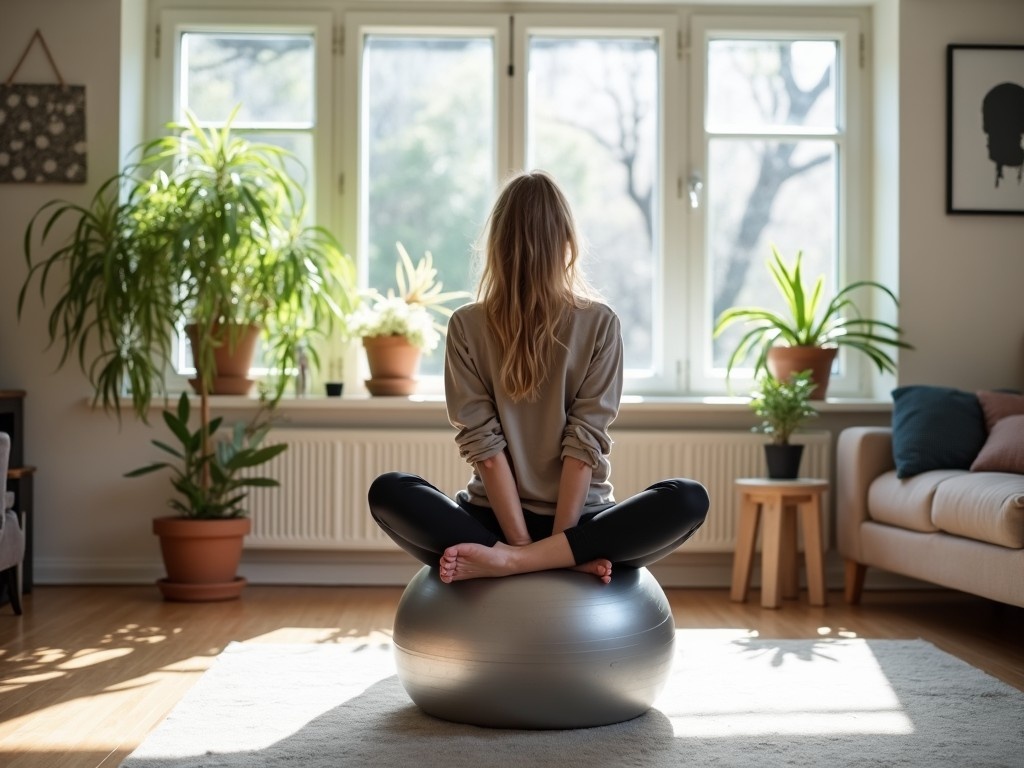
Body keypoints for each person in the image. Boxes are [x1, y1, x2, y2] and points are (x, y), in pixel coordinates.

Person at [368, 170, 709, 584]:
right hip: (581, 531)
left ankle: (507, 562)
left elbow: (488, 453)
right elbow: (581, 450)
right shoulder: (597, 322)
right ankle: (551, 561)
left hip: (496, 528)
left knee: (389, 492)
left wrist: (518, 555)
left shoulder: (469, 324)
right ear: (567, 243)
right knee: (688, 501)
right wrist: (560, 550)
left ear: (497, 247)